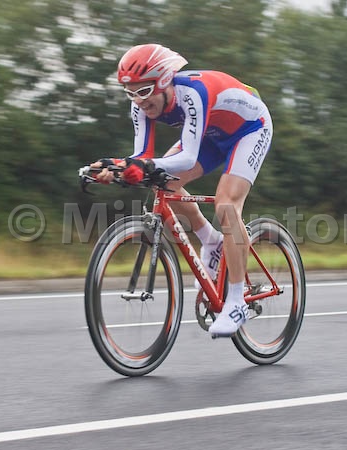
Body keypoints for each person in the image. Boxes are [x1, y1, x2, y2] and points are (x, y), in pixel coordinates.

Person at [91, 43, 273, 337]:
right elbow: (141, 156)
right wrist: (115, 167)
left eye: (144, 90)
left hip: (250, 129)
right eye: (131, 92)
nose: (139, 100)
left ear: (165, 81)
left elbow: (187, 158)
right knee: (164, 182)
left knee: (226, 205)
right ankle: (211, 241)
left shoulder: (192, 93)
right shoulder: (140, 105)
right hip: (211, 136)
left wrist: (142, 166)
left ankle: (236, 302)